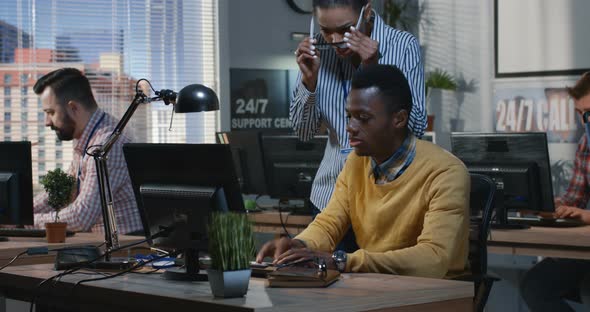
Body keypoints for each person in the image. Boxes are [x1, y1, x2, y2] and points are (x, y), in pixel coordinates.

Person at [257, 65, 468, 278]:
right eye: (349, 116)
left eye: (363, 118)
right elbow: (329, 222)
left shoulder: (445, 172)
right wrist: (298, 245)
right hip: (377, 286)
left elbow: (434, 259)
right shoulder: (356, 163)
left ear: (399, 119)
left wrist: (344, 261)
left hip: (435, 294)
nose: (351, 127)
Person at [290, 0, 426, 252]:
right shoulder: (318, 51)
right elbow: (303, 131)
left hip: (386, 202)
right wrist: (309, 84)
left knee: (380, 287)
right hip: (330, 198)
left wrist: (373, 70)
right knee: (322, 287)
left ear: (367, 11)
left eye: (345, 29)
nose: (334, 40)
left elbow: (415, 127)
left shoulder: (402, 45)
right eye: (325, 30)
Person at [32, 68, 142, 234]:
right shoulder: (86, 137)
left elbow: (81, 217)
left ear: (73, 108)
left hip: (126, 249)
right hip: (101, 245)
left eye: (51, 112)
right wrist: (19, 213)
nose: (47, 122)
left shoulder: (106, 145)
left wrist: (26, 222)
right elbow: (65, 190)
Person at [520, 72, 590, 311]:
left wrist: (585, 215)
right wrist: (542, 204)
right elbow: (574, 199)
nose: (584, 122)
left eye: (588, 113)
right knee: (535, 285)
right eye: (580, 114)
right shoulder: (586, 145)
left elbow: (582, 212)